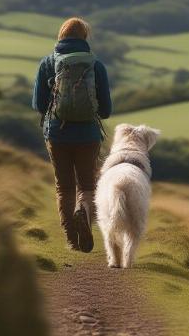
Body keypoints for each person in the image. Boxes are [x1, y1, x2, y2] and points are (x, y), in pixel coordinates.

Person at [32, 17, 112, 252]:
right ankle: (84, 213)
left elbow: (38, 104)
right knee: (86, 185)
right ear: (84, 38)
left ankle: (71, 240)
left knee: (64, 187)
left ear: (61, 36)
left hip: (58, 135)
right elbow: (106, 110)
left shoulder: (48, 63)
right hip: (88, 135)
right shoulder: (96, 66)